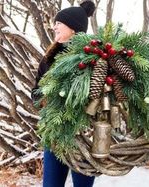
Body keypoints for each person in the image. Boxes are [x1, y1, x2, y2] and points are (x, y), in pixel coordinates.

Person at [31, 1, 96, 187]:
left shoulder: (92, 57)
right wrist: (47, 96)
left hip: (85, 135)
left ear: (74, 27)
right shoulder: (49, 59)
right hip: (55, 136)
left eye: (59, 23)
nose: (54, 26)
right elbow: (35, 93)